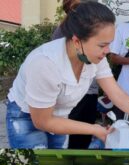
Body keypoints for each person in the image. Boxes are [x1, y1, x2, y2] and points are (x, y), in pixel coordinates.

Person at [5, 1, 129, 149]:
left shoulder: (95, 56)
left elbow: (117, 94)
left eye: (109, 44)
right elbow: (42, 122)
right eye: (102, 45)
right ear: (77, 42)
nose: (107, 51)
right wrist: (95, 129)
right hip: (27, 117)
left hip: (60, 116)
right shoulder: (45, 63)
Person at [52, 0, 99, 149]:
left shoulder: (91, 31)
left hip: (89, 91)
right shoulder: (63, 31)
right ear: (71, 10)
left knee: (83, 135)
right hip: (70, 92)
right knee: (69, 135)